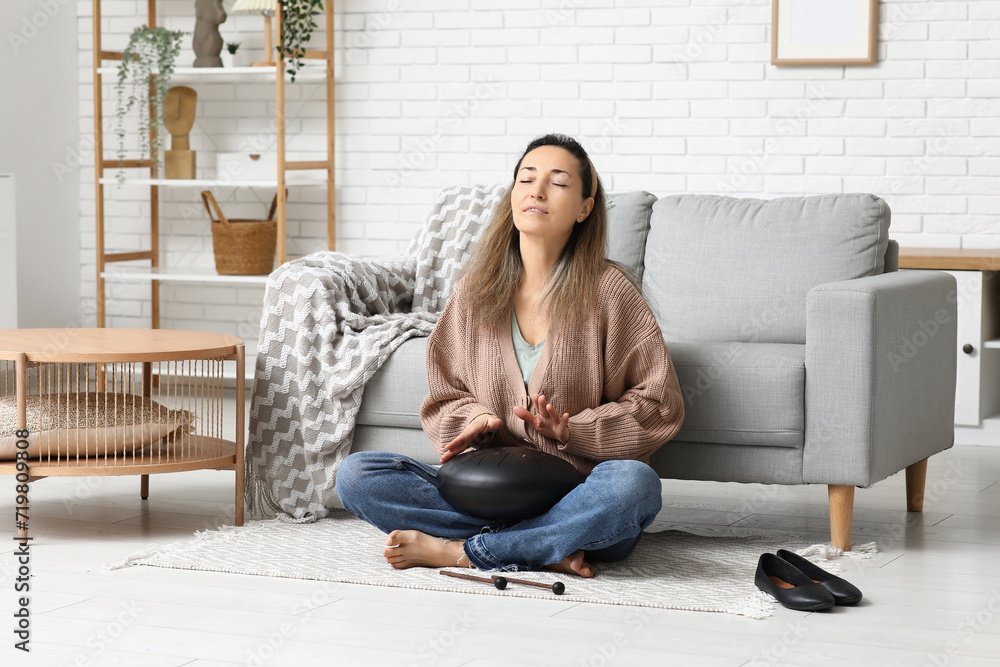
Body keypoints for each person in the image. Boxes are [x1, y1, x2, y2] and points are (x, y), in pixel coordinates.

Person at [336, 134, 685, 577]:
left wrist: (573, 431)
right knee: (356, 474)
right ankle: (543, 543)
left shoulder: (611, 294)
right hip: (488, 490)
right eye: (526, 179)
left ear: (584, 208)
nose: (536, 191)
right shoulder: (474, 292)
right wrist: (475, 421)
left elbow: (659, 406)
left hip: (578, 489)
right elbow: (446, 394)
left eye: (557, 183)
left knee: (635, 486)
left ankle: (464, 550)